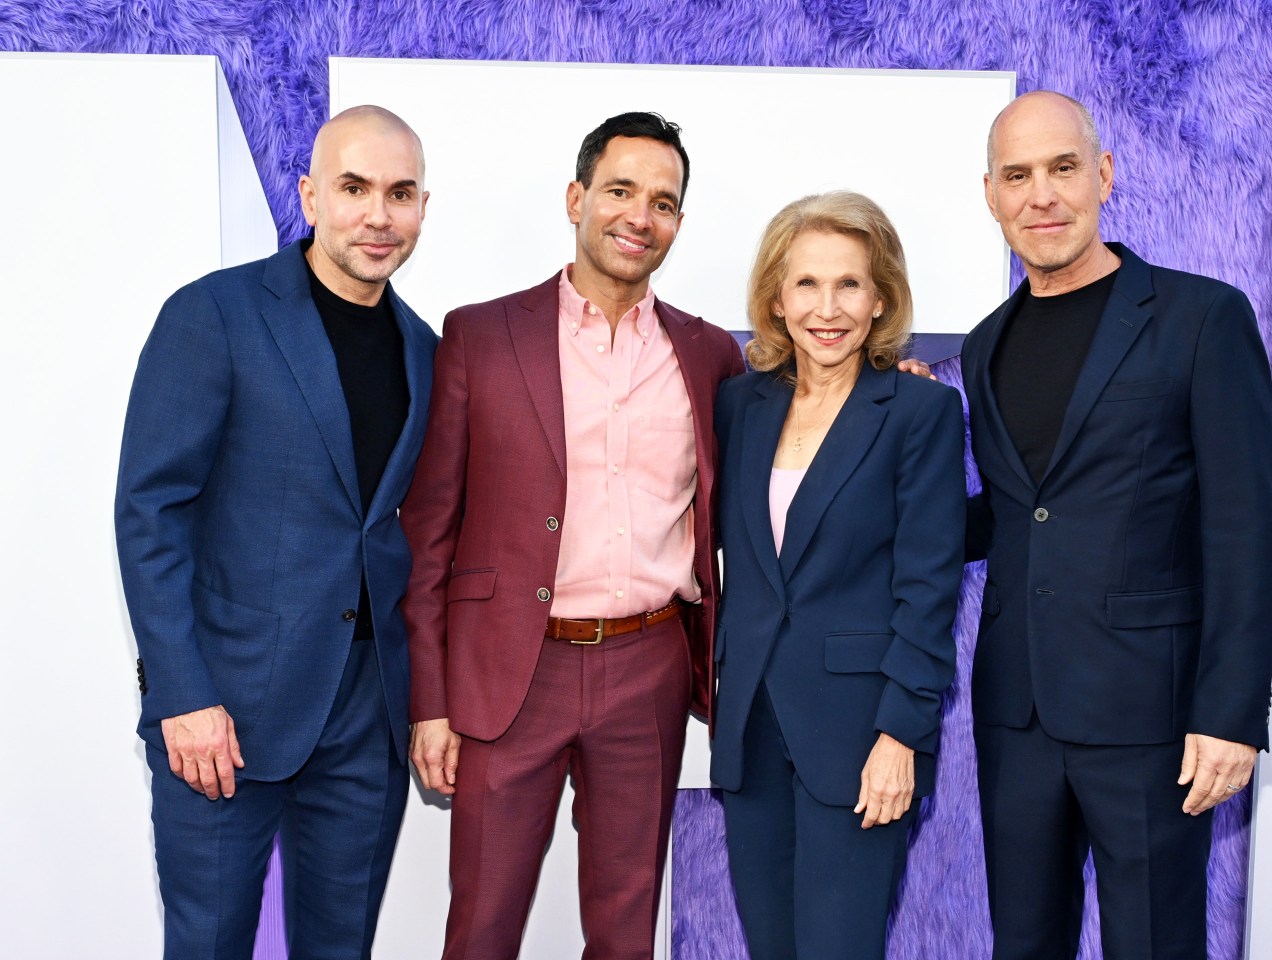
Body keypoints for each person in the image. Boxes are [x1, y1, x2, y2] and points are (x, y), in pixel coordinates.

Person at [399, 111, 745, 960]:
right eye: (621, 190)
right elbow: (431, 529)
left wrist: (893, 374)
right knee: (481, 927)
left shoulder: (710, 358)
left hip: (649, 667)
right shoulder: (481, 335)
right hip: (508, 669)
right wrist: (430, 700)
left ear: (678, 224)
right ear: (577, 197)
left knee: (627, 932)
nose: (639, 215)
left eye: (662, 202)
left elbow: (784, 458)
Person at [959, 90, 1272, 960]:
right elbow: (1016, 513)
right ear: (989, 194)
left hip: (1153, 716)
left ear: (1103, 175)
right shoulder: (985, 345)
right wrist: (888, 461)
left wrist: (1233, 713)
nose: (1042, 196)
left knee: (1152, 945)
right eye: (1017, 176)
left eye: (1063, 168)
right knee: (1023, 945)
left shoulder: (1201, 318)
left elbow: (1244, 530)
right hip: (1016, 711)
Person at [114, 105, 437, 959]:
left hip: (366, 715)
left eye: (399, 193)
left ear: (422, 209)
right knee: (211, 944)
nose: (378, 215)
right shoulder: (214, 315)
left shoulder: (427, 350)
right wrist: (181, 693)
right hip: (224, 709)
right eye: (355, 188)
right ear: (309, 196)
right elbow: (150, 511)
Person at [709, 191, 967, 960]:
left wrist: (900, 736)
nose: (828, 307)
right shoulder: (738, 406)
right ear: (777, 299)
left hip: (860, 738)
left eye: (849, 284)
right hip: (751, 729)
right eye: (807, 285)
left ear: (881, 296)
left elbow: (928, 590)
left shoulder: (919, 411)